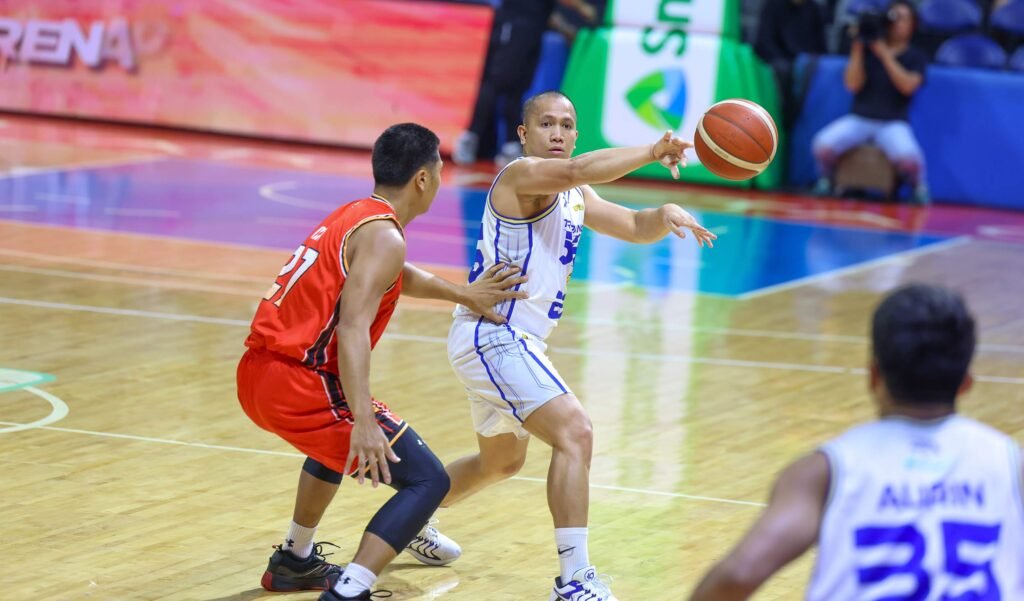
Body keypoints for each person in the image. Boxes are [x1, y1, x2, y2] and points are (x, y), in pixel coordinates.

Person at [443, 90, 718, 601]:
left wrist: (667, 213)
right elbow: (576, 172)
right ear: (524, 134)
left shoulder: (575, 194)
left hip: (512, 343)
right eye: (546, 124)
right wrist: (653, 151)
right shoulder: (521, 175)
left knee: (500, 463)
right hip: (493, 334)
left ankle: (414, 511)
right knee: (576, 431)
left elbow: (635, 225)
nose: (557, 134)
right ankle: (574, 581)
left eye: (567, 126)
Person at [236, 123, 528, 600]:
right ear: (422, 179)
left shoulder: (358, 216)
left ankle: (294, 559)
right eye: (438, 168)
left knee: (335, 445)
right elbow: (352, 326)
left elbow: (398, 275)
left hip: (259, 374)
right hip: (298, 380)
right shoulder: (385, 237)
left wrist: (462, 294)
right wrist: (366, 420)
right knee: (427, 480)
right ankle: (351, 589)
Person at [688, 284, 1024, 600]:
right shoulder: (1012, 465)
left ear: (874, 376)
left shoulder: (824, 472)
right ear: (966, 383)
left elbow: (740, 573)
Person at [452, 0, 597, 167]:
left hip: (532, 32)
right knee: (498, 82)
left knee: (517, 87)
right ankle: (470, 139)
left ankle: (511, 146)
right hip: (513, 25)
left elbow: (543, 10)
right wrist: (582, 8)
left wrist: (563, 28)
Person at [812, 0, 931, 204]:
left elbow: (908, 86)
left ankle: (917, 187)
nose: (897, 23)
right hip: (860, 118)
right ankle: (826, 179)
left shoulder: (916, 56)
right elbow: (852, 85)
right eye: (894, 17)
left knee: (909, 159)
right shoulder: (866, 50)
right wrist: (858, 48)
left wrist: (884, 54)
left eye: (903, 18)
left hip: (892, 122)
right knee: (822, 145)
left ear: (913, 25)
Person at [752, 0, 827, 127]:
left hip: (806, 61)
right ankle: (787, 118)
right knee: (784, 70)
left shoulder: (813, 8)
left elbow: (820, 45)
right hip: (779, 58)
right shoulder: (773, 5)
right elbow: (764, 41)